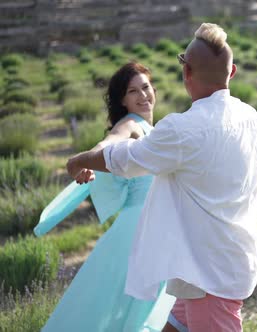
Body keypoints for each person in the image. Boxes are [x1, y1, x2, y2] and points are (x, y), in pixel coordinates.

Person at [66, 23, 257, 331]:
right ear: (232, 72)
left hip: (208, 276)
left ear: (186, 72)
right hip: (217, 263)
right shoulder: (250, 117)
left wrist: (79, 160)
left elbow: (125, 159)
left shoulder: (182, 129)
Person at [35, 62, 175, 331]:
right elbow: (110, 142)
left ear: (154, 89)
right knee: (121, 303)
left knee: (133, 303)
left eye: (145, 87)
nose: (143, 95)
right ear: (123, 100)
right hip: (140, 228)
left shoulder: (154, 131)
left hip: (158, 225)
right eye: (133, 91)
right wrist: (90, 158)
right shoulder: (131, 124)